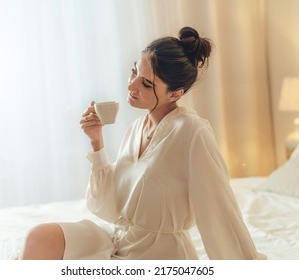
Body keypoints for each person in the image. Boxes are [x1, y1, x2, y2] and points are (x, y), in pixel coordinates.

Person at [21, 26, 265, 260]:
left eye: (146, 83)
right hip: (118, 240)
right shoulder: (135, 129)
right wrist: (97, 142)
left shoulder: (193, 131)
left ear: (175, 94)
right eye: (134, 71)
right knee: (39, 237)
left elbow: (219, 209)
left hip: (158, 253)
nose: (131, 85)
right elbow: (109, 207)